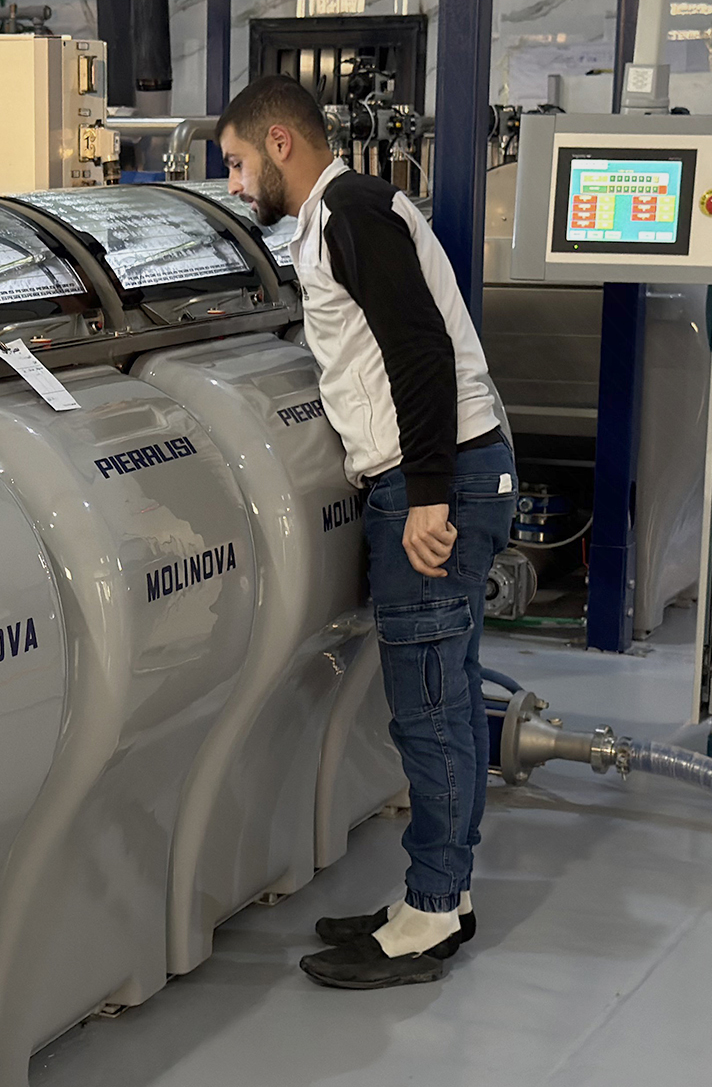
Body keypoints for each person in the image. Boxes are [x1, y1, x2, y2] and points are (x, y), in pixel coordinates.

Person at [218, 74, 516, 989]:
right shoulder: (341, 216)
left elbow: (419, 352)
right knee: (447, 700)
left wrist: (426, 495)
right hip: (450, 472)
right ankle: (443, 894)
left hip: (436, 482)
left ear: (279, 142)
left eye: (236, 163)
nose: (232, 185)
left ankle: (431, 913)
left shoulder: (352, 212)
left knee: (427, 709)